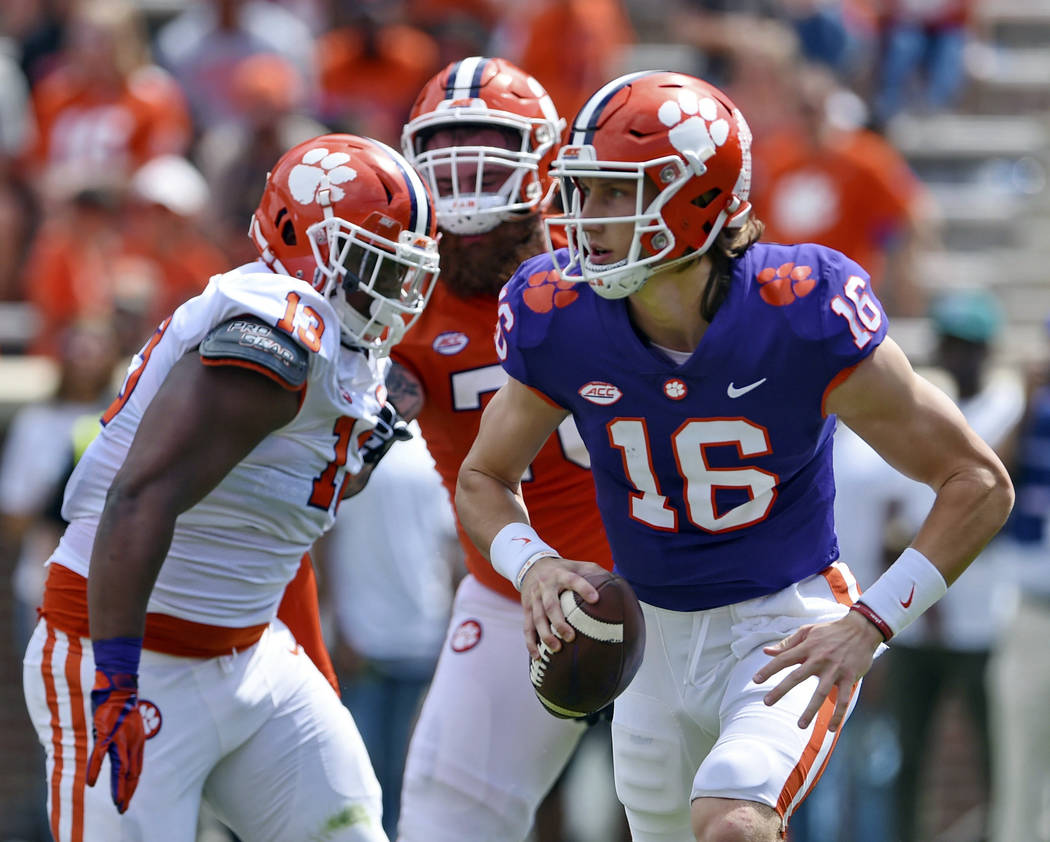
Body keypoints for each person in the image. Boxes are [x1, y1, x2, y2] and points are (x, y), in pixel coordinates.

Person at [453, 69, 1014, 842]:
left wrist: (873, 621)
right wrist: (534, 564)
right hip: (649, 641)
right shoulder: (560, 315)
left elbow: (977, 481)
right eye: (585, 190)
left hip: (779, 626)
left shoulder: (802, 310)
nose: (590, 217)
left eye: (619, 192)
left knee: (733, 826)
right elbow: (483, 478)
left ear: (699, 199)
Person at [21, 132, 440, 842]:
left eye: (406, 272)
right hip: (132, 655)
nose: (395, 292)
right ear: (303, 238)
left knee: (349, 827)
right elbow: (140, 497)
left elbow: (283, 531)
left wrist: (314, 668)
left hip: (250, 653)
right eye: (377, 265)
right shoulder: (272, 330)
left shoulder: (343, 351)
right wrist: (116, 676)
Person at [390, 56, 622, 841]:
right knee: (447, 815)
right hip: (511, 591)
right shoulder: (400, 291)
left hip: (676, 578)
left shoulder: (613, 265)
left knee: (691, 814)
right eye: (447, 154)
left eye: (485, 150)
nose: (464, 180)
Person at [321, 422, 461, 839]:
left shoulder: (354, 450)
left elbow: (450, 555)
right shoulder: (429, 456)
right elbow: (453, 555)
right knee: (388, 786)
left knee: (374, 786)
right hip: (378, 644)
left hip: (398, 643)